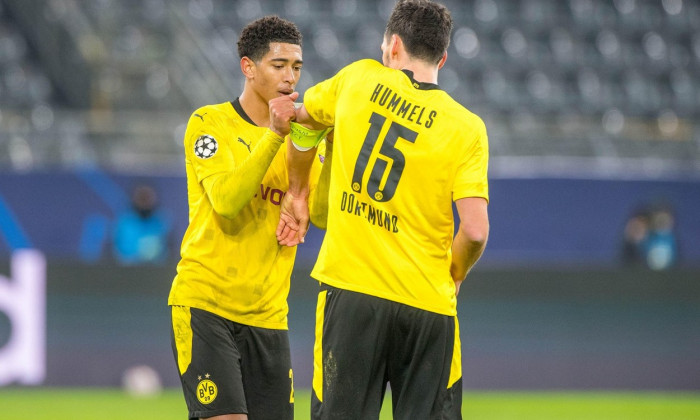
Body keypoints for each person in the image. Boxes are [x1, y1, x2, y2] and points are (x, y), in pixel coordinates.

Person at [276, 1, 489, 418]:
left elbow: (300, 124)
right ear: (442, 57)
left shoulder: (358, 79)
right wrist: (456, 273)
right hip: (428, 304)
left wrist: (298, 193)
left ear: (392, 47)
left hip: (351, 293)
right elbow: (476, 231)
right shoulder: (467, 128)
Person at [168, 16, 328, 420]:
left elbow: (323, 215)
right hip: (206, 304)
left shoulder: (305, 142)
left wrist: (308, 190)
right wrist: (275, 135)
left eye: (297, 67)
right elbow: (225, 200)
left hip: (269, 317)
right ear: (248, 67)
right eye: (279, 65)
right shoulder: (210, 123)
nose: (290, 77)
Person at [112, 184, 171, 264]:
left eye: (147, 197)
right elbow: (116, 253)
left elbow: (169, 252)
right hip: (127, 271)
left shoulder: (163, 222)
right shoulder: (123, 223)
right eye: (141, 197)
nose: (144, 201)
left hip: (156, 271)